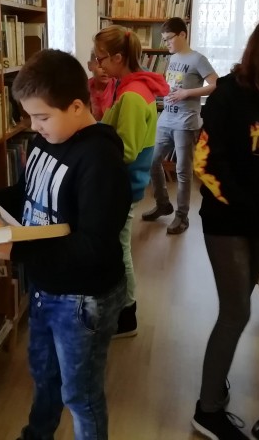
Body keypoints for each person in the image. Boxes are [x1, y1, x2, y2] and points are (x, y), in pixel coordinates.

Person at [0, 49, 132, 440]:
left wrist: (17, 250)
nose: (35, 126)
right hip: (45, 285)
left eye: (42, 117)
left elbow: (95, 246)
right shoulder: (45, 141)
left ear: (76, 106)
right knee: (44, 376)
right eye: (30, 116)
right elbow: (27, 194)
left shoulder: (100, 160)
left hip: (84, 298)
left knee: (80, 394)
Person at [191, 14, 259, 440]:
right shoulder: (227, 95)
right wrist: (245, 204)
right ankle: (207, 410)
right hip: (227, 223)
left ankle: (214, 384)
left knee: (241, 309)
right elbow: (205, 163)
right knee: (236, 310)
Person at [94, 25, 169, 337]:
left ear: (118, 57)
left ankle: (126, 315)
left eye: (100, 58)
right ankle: (120, 310)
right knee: (118, 246)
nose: (97, 65)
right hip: (123, 184)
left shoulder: (133, 96)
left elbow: (126, 150)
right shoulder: (129, 87)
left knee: (120, 248)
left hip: (124, 185)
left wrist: (93, 145)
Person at [141, 17, 217, 234]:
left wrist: (187, 93)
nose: (166, 43)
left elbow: (216, 84)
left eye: (169, 39)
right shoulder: (173, 58)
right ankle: (163, 204)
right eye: (164, 40)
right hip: (166, 119)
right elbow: (172, 84)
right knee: (152, 161)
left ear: (183, 34)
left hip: (186, 123)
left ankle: (182, 217)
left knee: (183, 171)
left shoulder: (198, 59)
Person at [87, 49, 115, 121]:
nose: (104, 70)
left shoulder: (117, 87)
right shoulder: (85, 88)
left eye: (109, 65)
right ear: (89, 65)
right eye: (99, 65)